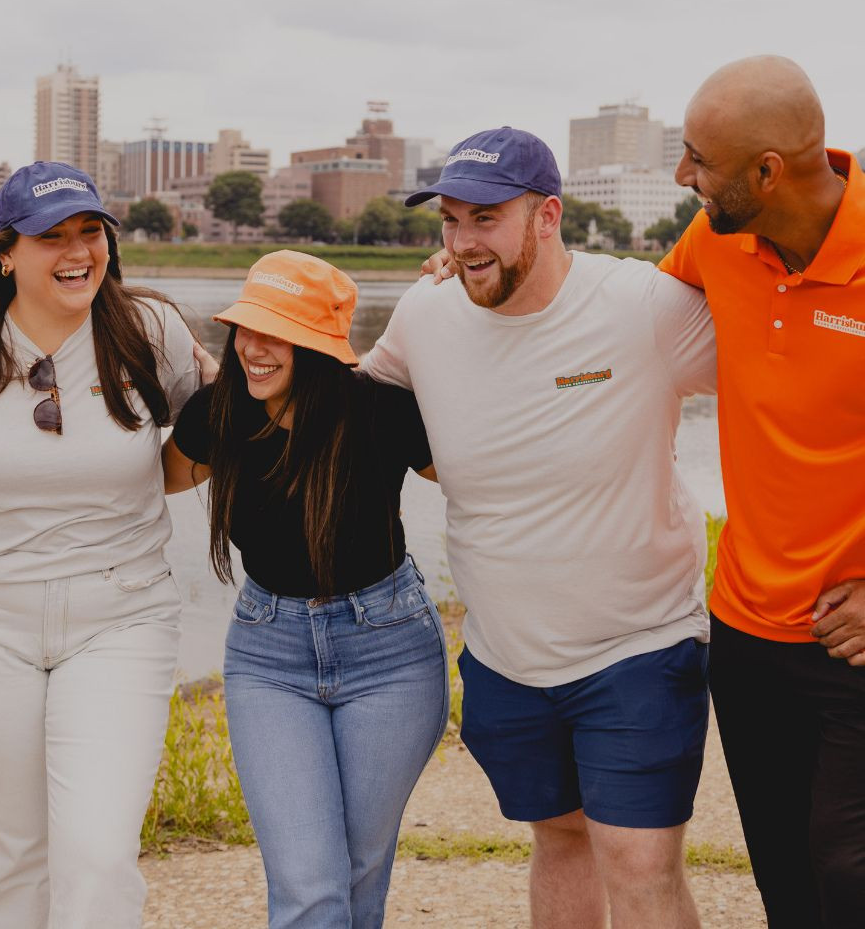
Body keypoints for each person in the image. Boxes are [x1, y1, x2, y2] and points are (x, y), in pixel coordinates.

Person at [362, 127, 717, 929]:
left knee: (638, 858)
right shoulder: (425, 314)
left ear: (547, 215)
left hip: (640, 644)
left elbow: (790, 378)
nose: (461, 242)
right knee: (559, 840)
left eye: (485, 219)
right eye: (450, 221)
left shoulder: (642, 305)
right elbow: (347, 401)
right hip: (505, 657)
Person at [0, 162, 199, 929]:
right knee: (16, 858)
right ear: (7, 252)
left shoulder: (150, 329)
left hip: (120, 617)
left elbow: (208, 441)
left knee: (96, 857)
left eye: (90, 231)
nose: (76, 251)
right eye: (51, 236)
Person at [162, 250, 449, 929]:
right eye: (246, 330)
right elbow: (152, 478)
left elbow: (482, 474)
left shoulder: (381, 412)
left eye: (278, 333)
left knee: (356, 871)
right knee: (308, 884)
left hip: (390, 654)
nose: (255, 350)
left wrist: (456, 301)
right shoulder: (220, 411)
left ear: (317, 346)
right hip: (270, 657)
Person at [664, 55, 865, 929]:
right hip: (745, 633)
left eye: (697, 159)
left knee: (847, 871)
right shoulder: (716, 241)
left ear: (767, 172)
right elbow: (614, 318)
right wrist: (477, 282)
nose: (684, 177)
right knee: (786, 880)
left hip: (854, 642)